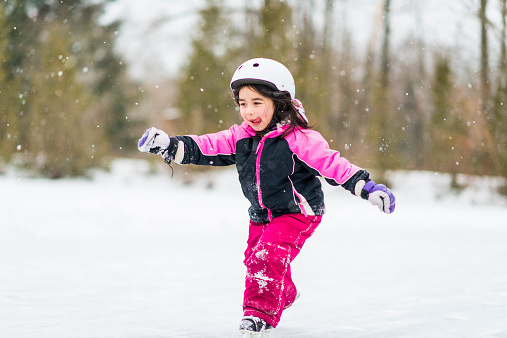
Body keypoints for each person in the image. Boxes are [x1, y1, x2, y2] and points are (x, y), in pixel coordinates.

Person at [137, 58, 396, 335]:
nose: (248, 111)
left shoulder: (300, 138)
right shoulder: (240, 136)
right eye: (243, 103)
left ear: (280, 101)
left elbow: (333, 165)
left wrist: (367, 187)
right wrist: (170, 145)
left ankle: (258, 316)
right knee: (253, 259)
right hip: (262, 214)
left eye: (257, 102)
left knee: (266, 257)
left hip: (298, 212)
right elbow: (206, 146)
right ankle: (282, 293)